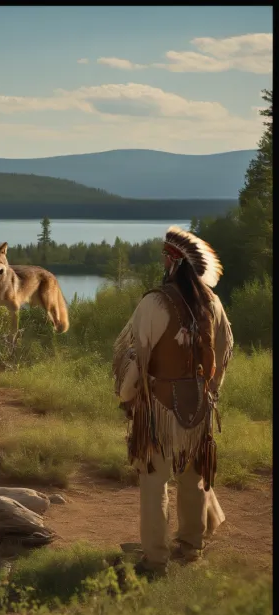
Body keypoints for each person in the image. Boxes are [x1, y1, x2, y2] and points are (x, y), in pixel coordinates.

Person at [112, 226, 234, 580]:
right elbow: (224, 352)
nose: (162, 262)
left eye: (165, 257)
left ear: (174, 262)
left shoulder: (154, 303)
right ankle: (191, 547)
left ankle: (154, 560)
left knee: (154, 482)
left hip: (161, 409)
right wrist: (210, 389)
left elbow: (135, 359)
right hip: (199, 406)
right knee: (193, 478)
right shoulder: (212, 302)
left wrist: (128, 395)